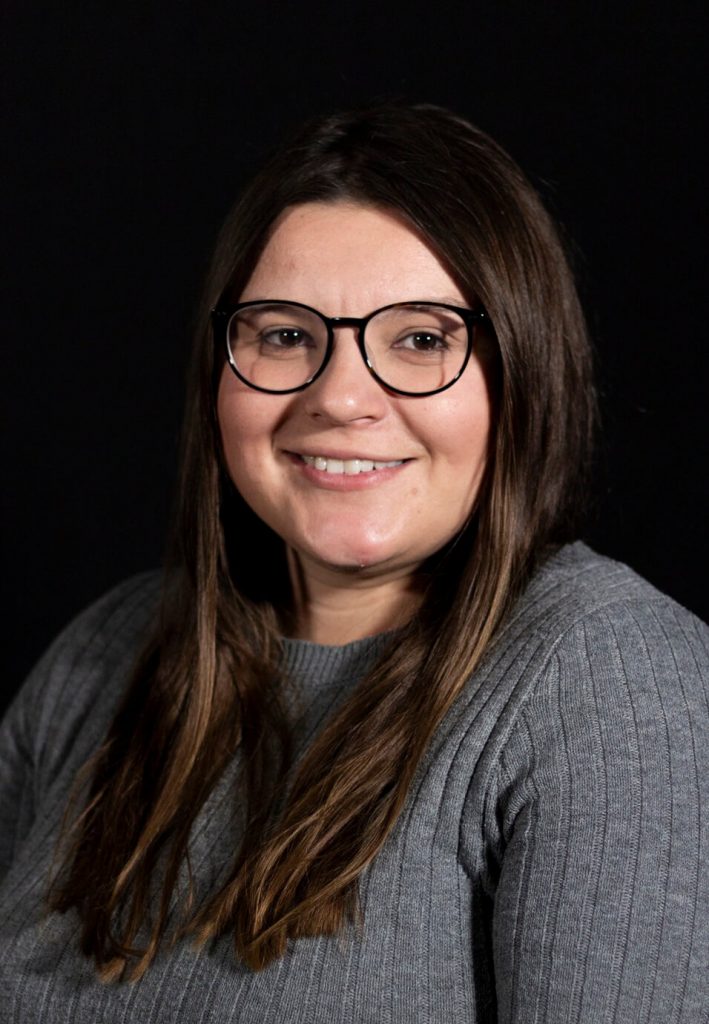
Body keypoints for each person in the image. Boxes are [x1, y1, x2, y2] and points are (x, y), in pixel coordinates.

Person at [0, 102, 707, 1024]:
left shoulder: (614, 685)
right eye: (285, 335)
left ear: (524, 373)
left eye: (421, 340)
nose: (339, 398)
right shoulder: (109, 650)